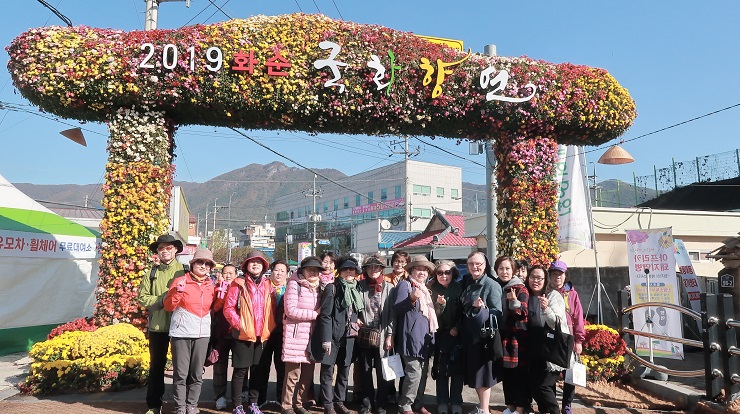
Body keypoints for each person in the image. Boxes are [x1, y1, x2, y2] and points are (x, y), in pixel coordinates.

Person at [164, 248, 218, 414]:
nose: (203, 266)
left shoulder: (212, 285)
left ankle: (192, 405)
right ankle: (180, 407)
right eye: (200, 262)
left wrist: (222, 296)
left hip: (202, 335)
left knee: (196, 374)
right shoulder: (180, 281)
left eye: (207, 264)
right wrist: (177, 292)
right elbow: (168, 306)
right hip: (181, 333)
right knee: (181, 373)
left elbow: (215, 308)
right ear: (193, 264)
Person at [137, 234, 187, 414]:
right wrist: (164, 300)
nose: (165, 251)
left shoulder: (185, 271)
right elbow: (142, 298)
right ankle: (154, 405)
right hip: (157, 327)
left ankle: (181, 404)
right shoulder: (151, 272)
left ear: (175, 250)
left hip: (181, 328)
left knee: (181, 369)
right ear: (157, 252)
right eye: (161, 248)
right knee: (156, 367)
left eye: (168, 248)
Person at [224, 250, 277, 414]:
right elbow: (228, 308)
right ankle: (237, 405)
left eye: (259, 262)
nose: (255, 265)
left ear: (264, 266)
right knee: (240, 371)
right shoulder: (238, 284)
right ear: (246, 265)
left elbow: (272, 308)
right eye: (252, 262)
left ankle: (253, 403)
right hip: (242, 334)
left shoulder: (268, 285)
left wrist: (270, 326)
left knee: (257, 370)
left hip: (262, 335)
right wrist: (240, 325)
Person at [311, 256, 363, 414]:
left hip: (349, 336)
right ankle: (328, 404)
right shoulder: (332, 288)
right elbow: (325, 315)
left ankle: (340, 401)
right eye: (345, 269)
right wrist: (326, 339)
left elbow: (357, 310)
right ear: (339, 272)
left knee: (344, 370)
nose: (349, 272)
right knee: (328, 371)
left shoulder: (357, 288)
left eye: (352, 269)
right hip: (332, 337)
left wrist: (359, 319)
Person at [460, 251, 502, 414]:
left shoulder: (491, 285)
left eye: (478, 264)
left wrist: (482, 309)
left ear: (485, 265)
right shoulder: (468, 282)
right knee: (476, 374)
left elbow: (497, 312)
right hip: (469, 336)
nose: (475, 267)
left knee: (483, 375)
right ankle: (482, 407)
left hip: (483, 338)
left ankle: (484, 409)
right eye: (471, 264)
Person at [394, 255, 437, 414]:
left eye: (425, 270)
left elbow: (429, 316)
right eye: (419, 269)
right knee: (414, 373)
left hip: (425, 339)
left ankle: (417, 404)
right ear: (412, 270)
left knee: (423, 374)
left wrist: (439, 305)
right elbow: (397, 308)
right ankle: (405, 405)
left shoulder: (426, 289)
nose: (422, 272)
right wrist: (411, 298)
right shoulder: (405, 285)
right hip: (410, 338)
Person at [281, 256, 324, 414]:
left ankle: (299, 403)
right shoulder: (294, 285)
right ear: (302, 271)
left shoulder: (321, 287)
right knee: (292, 374)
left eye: (316, 270)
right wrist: (315, 314)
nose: (313, 273)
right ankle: (286, 405)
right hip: (296, 335)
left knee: (307, 375)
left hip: (312, 336)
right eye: (309, 269)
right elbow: (290, 311)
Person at [527, 265, 569, 414]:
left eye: (539, 278)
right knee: (534, 385)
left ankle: (555, 411)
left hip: (553, 347)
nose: (535, 281)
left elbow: (555, 322)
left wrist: (546, 309)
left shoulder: (553, 296)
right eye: (532, 277)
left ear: (546, 280)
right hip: (538, 347)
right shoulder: (528, 296)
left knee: (543, 385)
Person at [357, 254, 395, 414]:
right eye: (370, 267)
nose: (374, 270)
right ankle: (367, 403)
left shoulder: (389, 287)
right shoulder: (360, 286)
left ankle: (381, 403)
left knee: (383, 371)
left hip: (383, 333)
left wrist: (390, 335)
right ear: (365, 270)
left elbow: (393, 314)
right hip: (365, 333)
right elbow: (355, 307)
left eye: (377, 267)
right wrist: (357, 319)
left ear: (382, 269)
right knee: (365, 371)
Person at [548, 260, 584, 414]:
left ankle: (567, 405)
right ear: (549, 276)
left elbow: (578, 318)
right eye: (554, 274)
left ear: (565, 276)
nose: (558, 277)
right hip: (550, 339)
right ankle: (552, 404)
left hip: (568, 338)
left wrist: (579, 340)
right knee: (551, 373)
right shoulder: (545, 292)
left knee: (570, 373)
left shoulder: (572, 294)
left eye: (560, 274)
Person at [495, 256, 529, 414]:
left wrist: (514, 302)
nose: (504, 272)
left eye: (507, 268)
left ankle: (521, 408)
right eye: (501, 268)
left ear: (513, 270)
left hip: (516, 339)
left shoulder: (520, 288)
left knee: (519, 376)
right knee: (506, 374)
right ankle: (510, 406)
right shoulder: (496, 286)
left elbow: (523, 312)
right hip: (502, 338)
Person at [430, 260, 463, 414]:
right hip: (440, 334)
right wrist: (440, 306)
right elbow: (432, 316)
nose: (444, 275)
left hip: (457, 334)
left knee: (457, 370)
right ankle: (442, 402)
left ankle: (456, 402)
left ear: (453, 273)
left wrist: (458, 327)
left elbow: (465, 312)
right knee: (441, 370)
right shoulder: (431, 289)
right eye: (440, 272)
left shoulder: (460, 287)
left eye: (447, 272)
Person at [255, 260, 289, 406]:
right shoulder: (263, 286)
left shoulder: (290, 289)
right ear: (271, 272)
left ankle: (281, 398)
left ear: (287, 274)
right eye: (277, 270)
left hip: (283, 333)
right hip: (265, 331)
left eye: (282, 271)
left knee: (282, 367)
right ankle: (260, 399)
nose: (279, 273)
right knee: (262, 366)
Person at [212, 264, 240, 410]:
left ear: (236, 274)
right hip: (221, 333)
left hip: (238, 333)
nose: (228, 275)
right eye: (225, 273)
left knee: (240, 367)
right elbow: (213, 309)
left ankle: (241, 394)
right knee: (219, 366)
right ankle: (220, 396)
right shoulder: (216, 288)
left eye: (231, 273)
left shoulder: (241, 288)